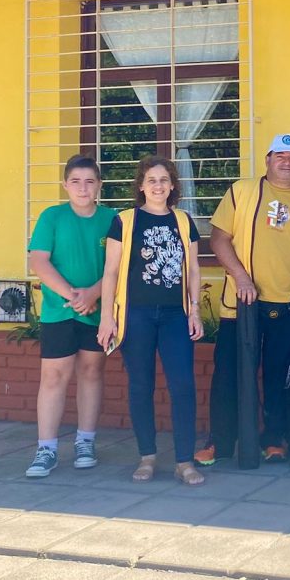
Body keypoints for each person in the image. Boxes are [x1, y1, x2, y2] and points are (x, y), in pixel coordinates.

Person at [195, 134, 290, 466]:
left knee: (278, 376)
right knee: (229, 375)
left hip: (286, 305)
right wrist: (240, 276)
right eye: (279, 155)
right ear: (267, 160)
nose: (286, 161)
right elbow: (220, 238)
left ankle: (273, 439)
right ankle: (220, 443)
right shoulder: (242, 191)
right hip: (241, 304)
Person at [97, 156, 204, 485]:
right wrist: (106, 319)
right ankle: (147, 457)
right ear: (141, 186)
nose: (158, 185)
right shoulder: (124, 221)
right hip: (136, 316)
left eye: (164, 180)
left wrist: (196, 309)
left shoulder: (184, 222)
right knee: (141, 386)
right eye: (151, 180)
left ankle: (184, 461)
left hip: (175, 315)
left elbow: (195, 270)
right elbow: (111, 271)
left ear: (173, 185)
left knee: (183, 386)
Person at [25, 155, 117, 479]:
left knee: (92, 372)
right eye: (75, 181)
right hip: (59, 311)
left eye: (89, 181)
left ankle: (85, 442)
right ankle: (46, 448)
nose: (82, 187)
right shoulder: (52, 216)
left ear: (99, 185)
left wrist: (93, 294)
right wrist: (73, 296)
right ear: (65, 185)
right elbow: (39, 261)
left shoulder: (112, 219)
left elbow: (116, 267)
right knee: (53, 377)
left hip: (97, 311)